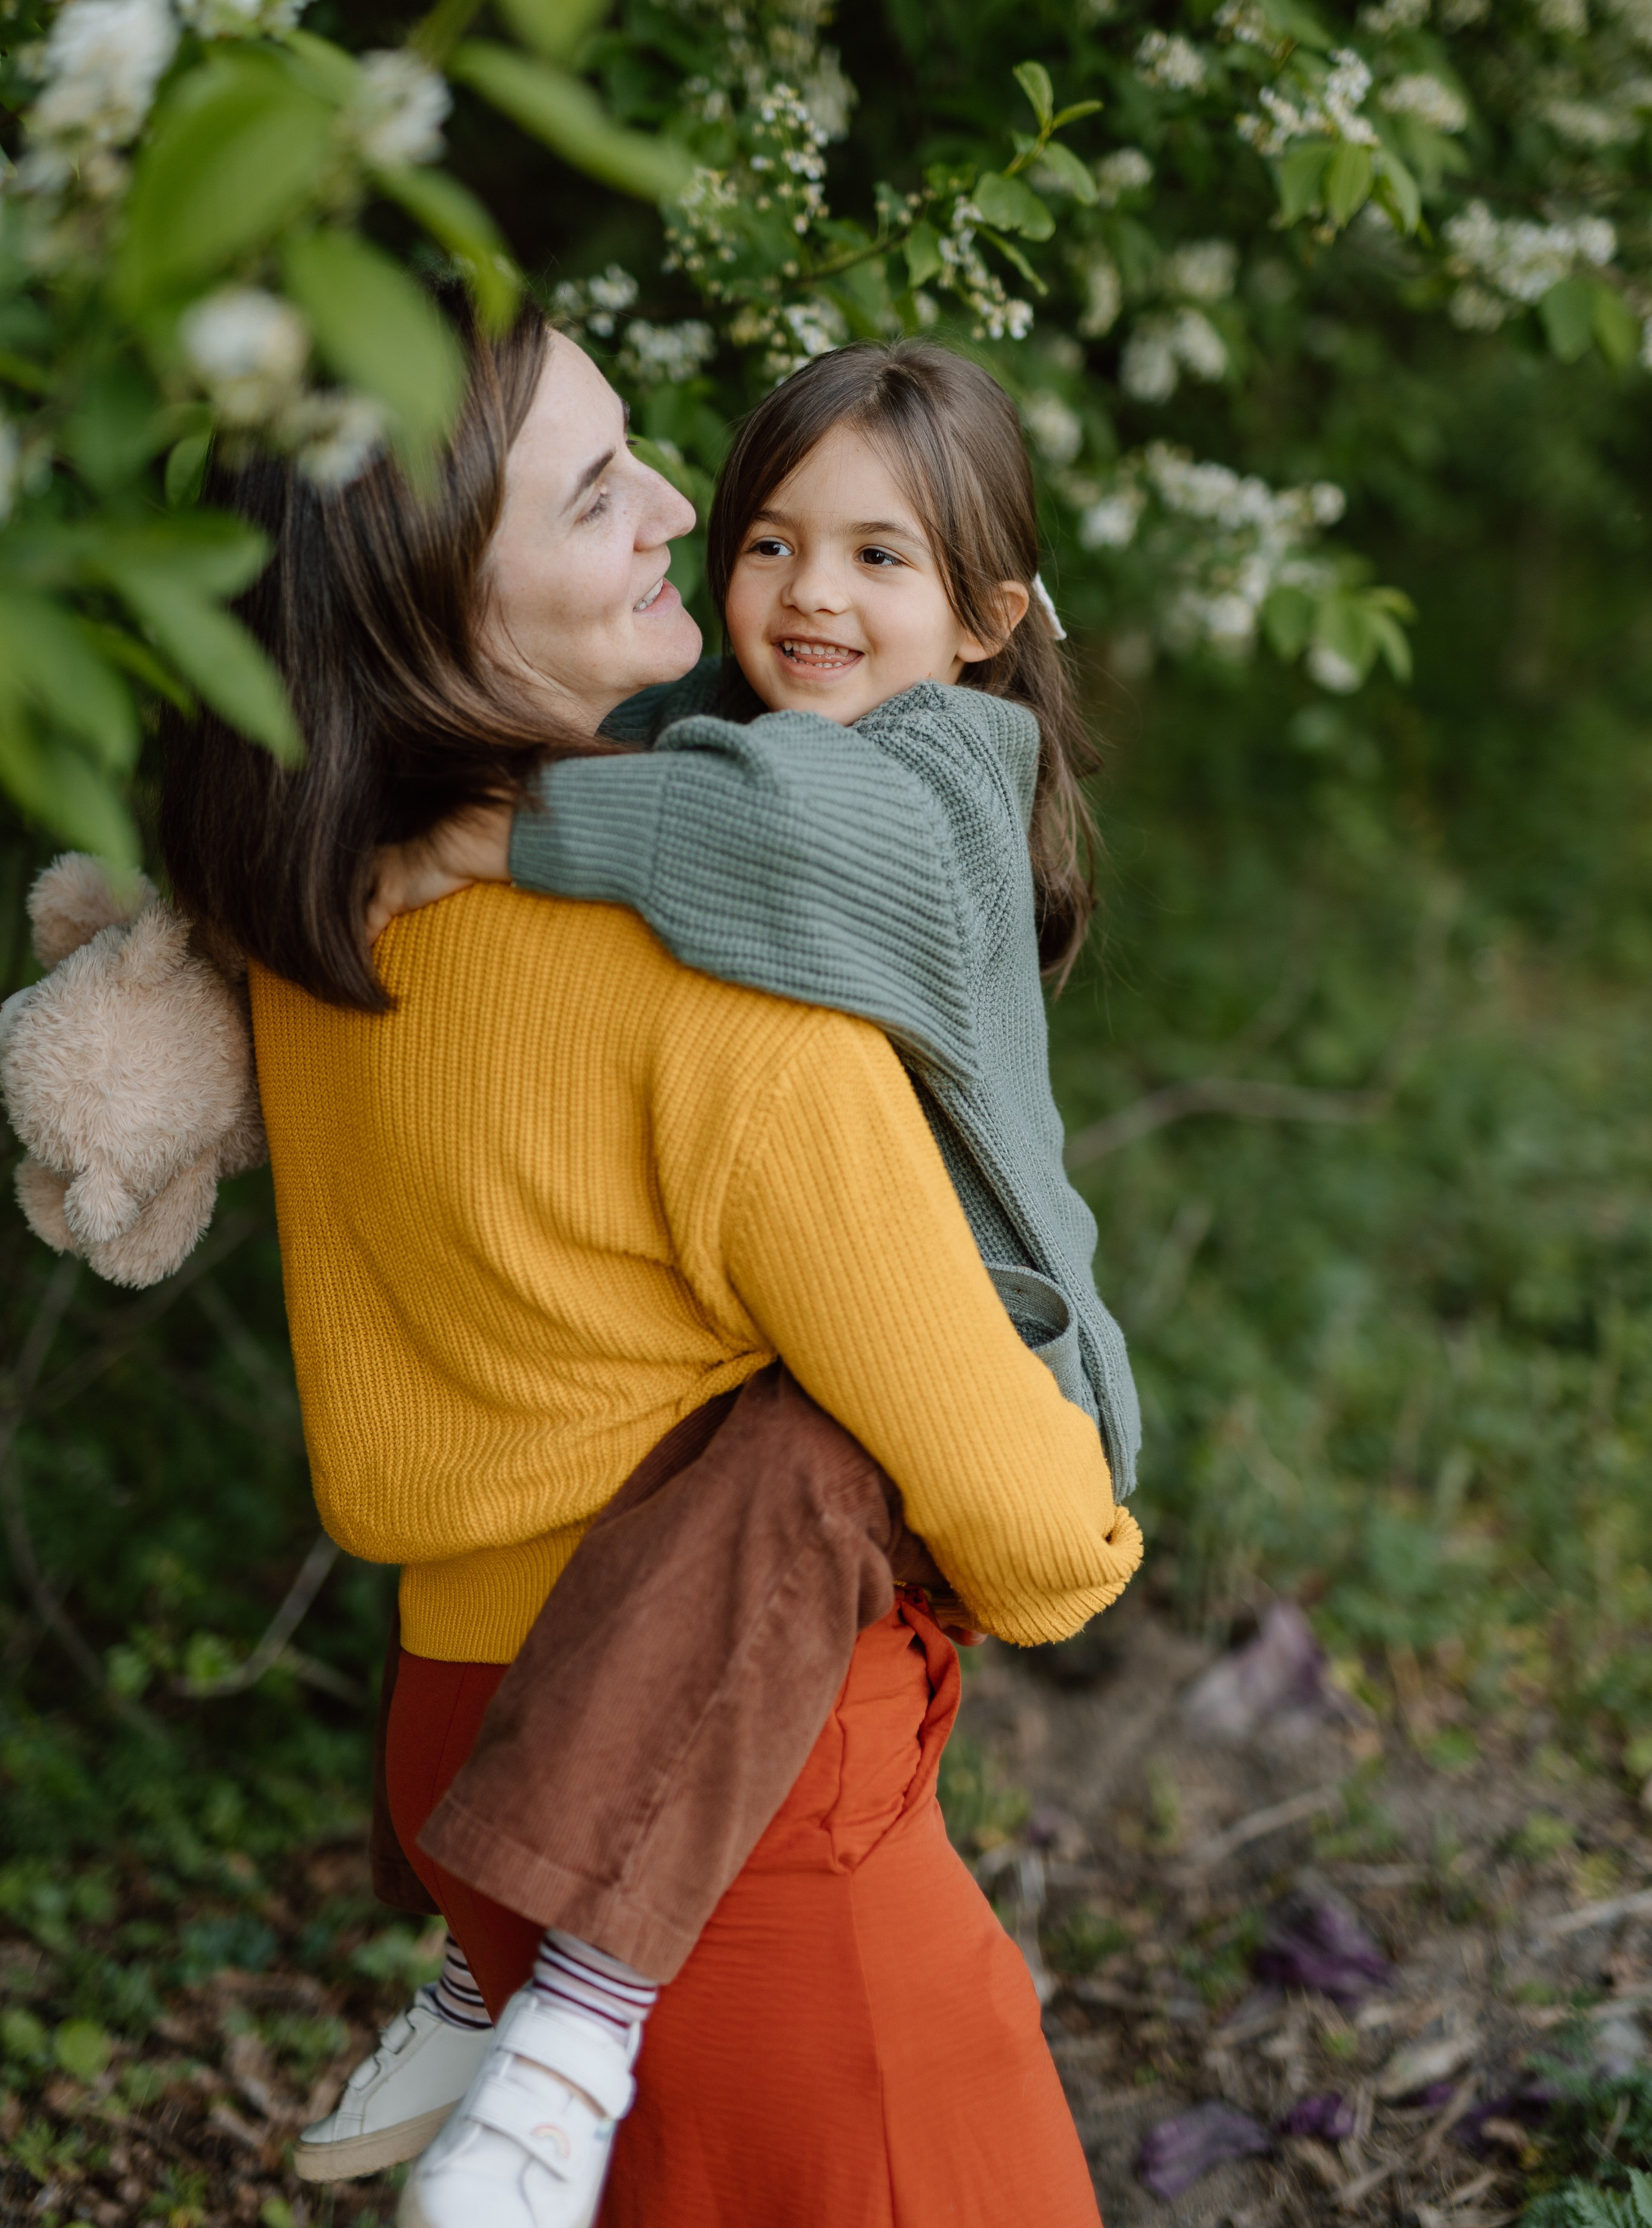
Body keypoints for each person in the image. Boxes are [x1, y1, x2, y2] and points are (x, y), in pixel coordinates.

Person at [155, 306, 1140, 2227]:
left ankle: (494, 2001)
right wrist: (1079, 1538)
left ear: (989, 612)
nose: (693, 522)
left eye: (873, 555)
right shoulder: (718, 985)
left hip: (461, 1736)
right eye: (609, 492)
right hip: (739, 1805)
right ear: (440, 583)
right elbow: (1006, 1511)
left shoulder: (321, 908)